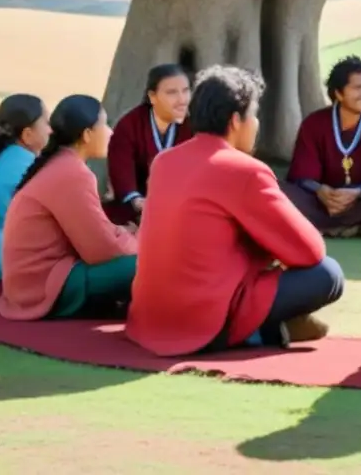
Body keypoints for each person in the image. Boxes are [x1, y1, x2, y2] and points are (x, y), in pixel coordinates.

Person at [126, 65, 344, 357]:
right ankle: (257, 330)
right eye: (253, 115)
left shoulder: (164, 161)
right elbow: (311, 251)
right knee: (328, 274)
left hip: (150, 318)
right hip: (206, 320)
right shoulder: (244, 170)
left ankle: (266, 327)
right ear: (235, 121)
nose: (255, 124)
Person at [0, 95, 138, 321]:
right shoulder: (72, 173)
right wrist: (139, 242)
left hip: (29, 283)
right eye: (105, 125)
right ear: (87, 134)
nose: (111, 132)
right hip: (41, 287)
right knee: (148, 263)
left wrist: (124, 234)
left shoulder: (61, 163)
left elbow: (96, 232)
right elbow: (100, 249)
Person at [282, 55, 361, 239]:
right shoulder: (314, 123)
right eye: (358, 87)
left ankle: (330, 228)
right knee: (280, 190)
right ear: (338, 93)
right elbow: (303, 175)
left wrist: (357, 192)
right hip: (323, 201)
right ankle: (358, 227)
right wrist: (321, 191)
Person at [0, 95, 51, 282]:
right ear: (27, 135)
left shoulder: (7, 156)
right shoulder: (25, 167)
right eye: (46, 122)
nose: (51, 130)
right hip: (2, 264)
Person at [103, 64, 192, 225]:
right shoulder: (129, 125)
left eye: (185, 91)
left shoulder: (193, 125)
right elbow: (121, 173)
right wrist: (136, 200)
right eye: (172, 92)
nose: (182, 100)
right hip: (134, 212)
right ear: (152, 96)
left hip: (180, 211)